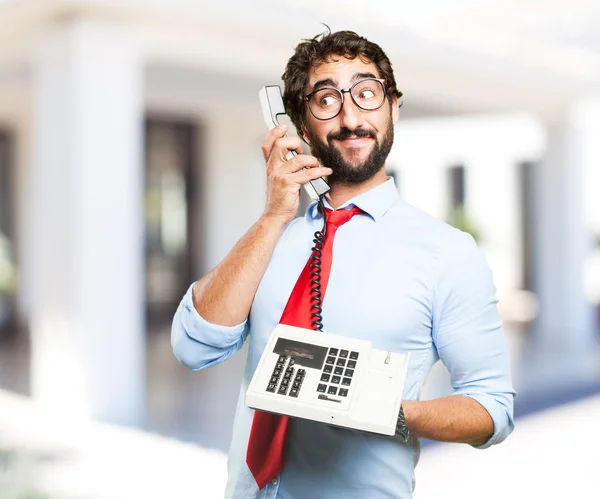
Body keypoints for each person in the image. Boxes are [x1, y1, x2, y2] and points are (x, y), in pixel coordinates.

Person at [171, 29, 515, 499]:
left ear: (394, 107)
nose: (351, 117)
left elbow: (492, 410)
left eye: (367, 94)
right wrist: (274, 215)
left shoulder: (447, 252)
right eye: (327, 100)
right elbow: (194, 347)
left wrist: (388, 408)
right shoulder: (270, 237)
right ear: (299, 124)